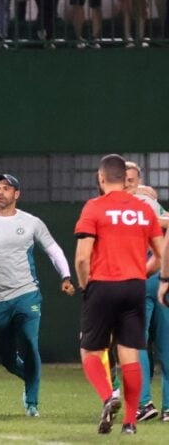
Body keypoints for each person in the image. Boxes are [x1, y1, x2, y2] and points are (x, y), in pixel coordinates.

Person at [0, 173, 75, 417]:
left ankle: (32, 402)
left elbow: (54, 251)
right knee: (8, 360)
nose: (0, 192)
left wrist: (66, 276)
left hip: (27, 295)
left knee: (30, 345)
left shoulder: (32, 222)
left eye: (6, 188)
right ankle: (31, 377)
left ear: (16, 194)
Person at [74, 154, 164, 434]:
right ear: (125, 180)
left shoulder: (94, 207)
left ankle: (108, 396)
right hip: (134, 286)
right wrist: (144, 273)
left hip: (102, 284)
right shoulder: (143, 210)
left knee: (89, 349)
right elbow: (161, 256)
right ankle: (130, 423)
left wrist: (85, 283)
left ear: (101, 178)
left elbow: (81, 258)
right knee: (130, 354)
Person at [123, 162, 169, 423]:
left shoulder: (113, 206)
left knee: (135, 342)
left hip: (138, 277)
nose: (128, 184)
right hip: (158, 276)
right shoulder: (148, 201)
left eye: (132, 179)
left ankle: (143, 403)